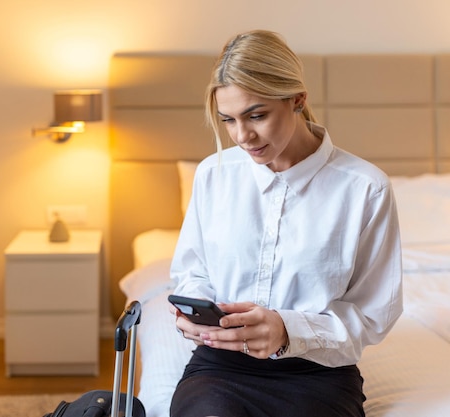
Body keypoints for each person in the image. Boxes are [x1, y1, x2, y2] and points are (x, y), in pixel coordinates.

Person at [169, 29, 403, 417]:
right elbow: (192, 273)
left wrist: (286, 329)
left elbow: (372, 315)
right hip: (220, 367)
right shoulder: (214, 174)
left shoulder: (365, 188)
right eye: (228, 120)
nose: (242, 136)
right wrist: (196, 316)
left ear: (298, 99)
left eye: (256, 115)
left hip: (317, 373)